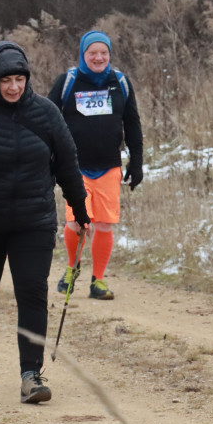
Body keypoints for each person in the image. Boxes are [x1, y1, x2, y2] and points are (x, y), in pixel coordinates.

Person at [0, 40, 90, 404]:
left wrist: (80, 211)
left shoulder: (46, 113)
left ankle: (31, 375)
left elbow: (68, 165)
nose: (13, 87)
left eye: (19, 79)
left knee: (32, 292)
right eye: (6, 80)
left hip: (33, 221)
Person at [47, 30, 143, 301]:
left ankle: (98, 281)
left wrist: (137, 162)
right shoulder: (67, 82)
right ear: (83, 54)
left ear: (109, 55)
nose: (99, 58)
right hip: (73, 166)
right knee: (77, 222)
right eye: (93, 53)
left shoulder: (120, 82)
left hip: (109, 166)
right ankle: (71, 267)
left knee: (103, 224)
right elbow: (46, 118)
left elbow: (132, 124)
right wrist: (46, 157)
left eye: (104, 53)